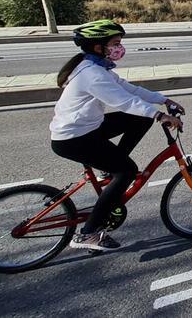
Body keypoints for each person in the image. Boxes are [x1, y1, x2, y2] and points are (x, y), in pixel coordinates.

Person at [49, 19, 184, 252]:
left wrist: (163, 99)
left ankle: (111, 169)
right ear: (97, 46)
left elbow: (128, 88)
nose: (119, 48)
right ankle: (88, 234)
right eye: (114, 43)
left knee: (139, 119)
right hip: (73, 138)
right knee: (127, 171)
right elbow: (123, 101)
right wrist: (160, 116)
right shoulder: (92, 73)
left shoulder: (94, 66)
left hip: (85, 128)